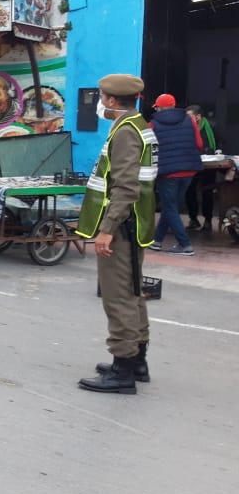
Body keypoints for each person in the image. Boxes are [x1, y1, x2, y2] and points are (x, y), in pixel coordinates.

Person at [76, 74, 157, 394]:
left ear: (110, 100)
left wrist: (106, 230)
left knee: (118, 296)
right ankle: (137, 361)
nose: (101, 103)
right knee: (133, 291)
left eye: (102, 97)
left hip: (122, 226)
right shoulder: (140, 125)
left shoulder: (125, 132)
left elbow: (125, 187)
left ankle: (123, 370)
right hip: (137, 223)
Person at [148, 93, 202, 256]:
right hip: (189, 171)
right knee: (170, 207)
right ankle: (157, 241)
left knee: (170, 207)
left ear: (160, 107)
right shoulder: (190, 120)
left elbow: (150, 151)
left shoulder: (153, 124)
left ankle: (185, 245)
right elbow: (199, 144)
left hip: (168, 173)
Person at [185, 104, 219, 231]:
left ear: (198, 116)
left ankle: (208, 220)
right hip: (192, 163)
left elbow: (219, 142)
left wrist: (217, 152)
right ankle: (193, 219)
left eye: (190, 116)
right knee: (189, 191)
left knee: (207, 192)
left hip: (209, 165)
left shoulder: (212, 126)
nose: (187, 119)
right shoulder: (186, 127)